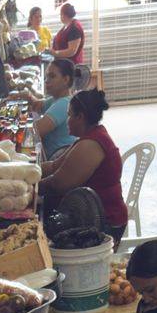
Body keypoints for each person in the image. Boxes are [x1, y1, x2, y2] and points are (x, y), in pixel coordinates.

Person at [39, 88, 128, 242]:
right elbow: (53, 166)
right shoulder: (88, 137)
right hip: (85, 213)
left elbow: (58, 184)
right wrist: (24, 172)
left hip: (103, 222)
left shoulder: (91, 144)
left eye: (69, 115)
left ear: (80, 117)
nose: (67, 120)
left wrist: (26, 188)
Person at [23, 56, 76, 157]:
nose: (46, 81)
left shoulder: (64, 104)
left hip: (57, 158)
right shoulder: (56, 100)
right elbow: (38, 105)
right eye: (46, 77)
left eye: (52, 76)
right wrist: (27, 96)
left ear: (65, 79)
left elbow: (34, 131)